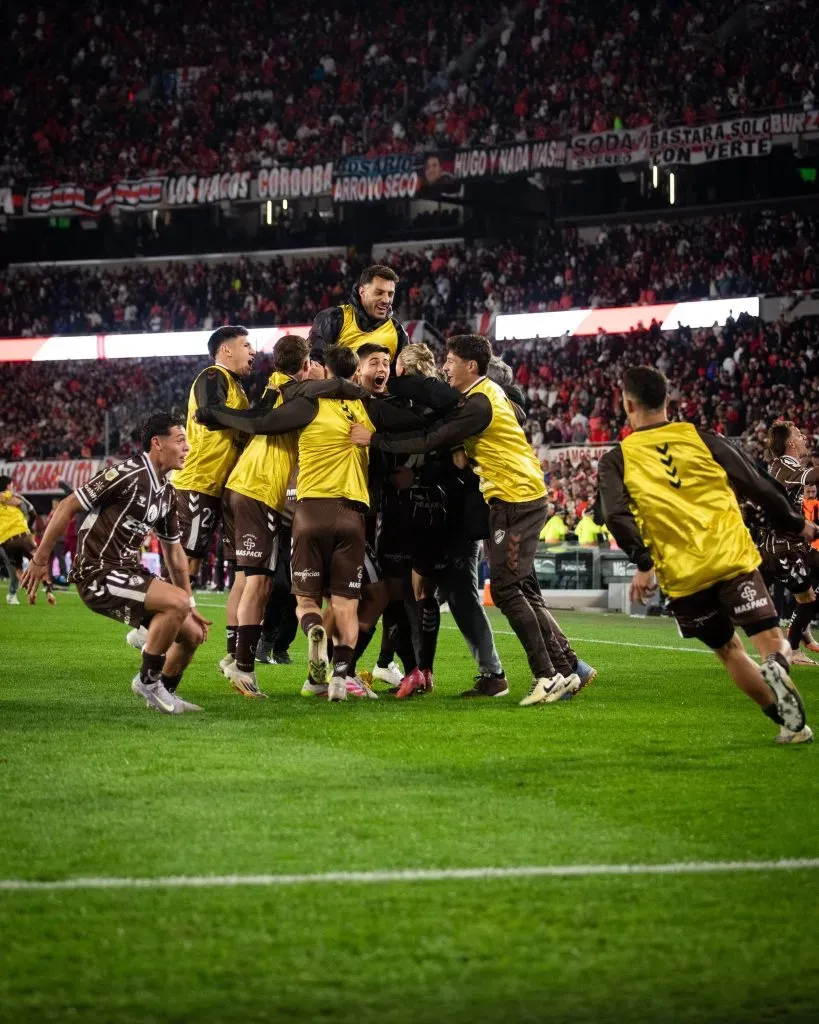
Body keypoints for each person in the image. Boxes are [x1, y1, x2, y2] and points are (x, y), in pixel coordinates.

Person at [351, 334, 582, 706]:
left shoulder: (478, 405)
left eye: (451, 361)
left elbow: (432, 436)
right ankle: (565, 670)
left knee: (505, 589)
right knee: (516, 589)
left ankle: (548, 675)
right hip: (515, 495)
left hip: (515, 498)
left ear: (470, 367)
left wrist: (374, 439)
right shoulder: (485, 394)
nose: (445, 367)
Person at [598, 366, 813, 745]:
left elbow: (615, 515)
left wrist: (644, 563)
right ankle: (779, 669)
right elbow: (757, 483)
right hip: (731, 557)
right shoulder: (701, 437)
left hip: (682, 575)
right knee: (768, 641)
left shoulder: (618, 458)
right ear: (668, 401)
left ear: (627, 403)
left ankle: (789, 723)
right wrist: (797, 524)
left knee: (730, 651)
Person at [196, 345, 425, 701]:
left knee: (296, 599)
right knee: (342, 602)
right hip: (350, 514)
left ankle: (275, 648)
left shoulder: (305, 404)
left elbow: (261, 422)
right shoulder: (365, 409)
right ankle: (336, 678)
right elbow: (415, 419)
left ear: (322, 369)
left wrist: (217, 414)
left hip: (305, 511)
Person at [22, 413, 212, 715]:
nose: (187, 447)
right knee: (174, 605)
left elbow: (175, 555)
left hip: (126, 571)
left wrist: (190, 601)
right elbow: (70, 504)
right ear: (157, 443)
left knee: (193, 634)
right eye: (180, 440)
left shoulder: (166, 493)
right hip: (96, 571)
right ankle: (148, 682)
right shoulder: (127, 473)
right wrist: (40, 557)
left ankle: (163, 693)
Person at [168, 324, 254, 670]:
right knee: (185, 559)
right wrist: (253, 421)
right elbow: (209, 412)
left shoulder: (238, 388)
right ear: (225, 350)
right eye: (246, 345)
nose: (252, 352)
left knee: (194, 560)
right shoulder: (212, 375)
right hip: (196, 481)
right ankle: (156, 621)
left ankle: (166, 617)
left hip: (214, 486)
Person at [761, 421, 819, 664]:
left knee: (806, 597)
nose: (804, 436)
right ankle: (793, 647)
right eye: (798, 434)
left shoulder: (784, 466)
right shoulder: (782, 466)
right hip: (782, 549)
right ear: (790, 442)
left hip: (793, 545)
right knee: (807, 599)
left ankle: (801, 625)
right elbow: (813, 476)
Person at [308, 265, 409, 363]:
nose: (386, 300)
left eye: (390, 294)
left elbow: (406, 376)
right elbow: (313, 368)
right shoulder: (332, 319)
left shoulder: (398, 332)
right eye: (379, 293)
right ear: (362, 292)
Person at [0, 474, 55, 606]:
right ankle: (49, 592)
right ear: (8, 485)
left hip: (6, 541)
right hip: (23, 536)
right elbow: (32, 511)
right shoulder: (16, 497)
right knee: (39, 562)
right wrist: (28, 526)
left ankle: (31, 594)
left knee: (18, 569)